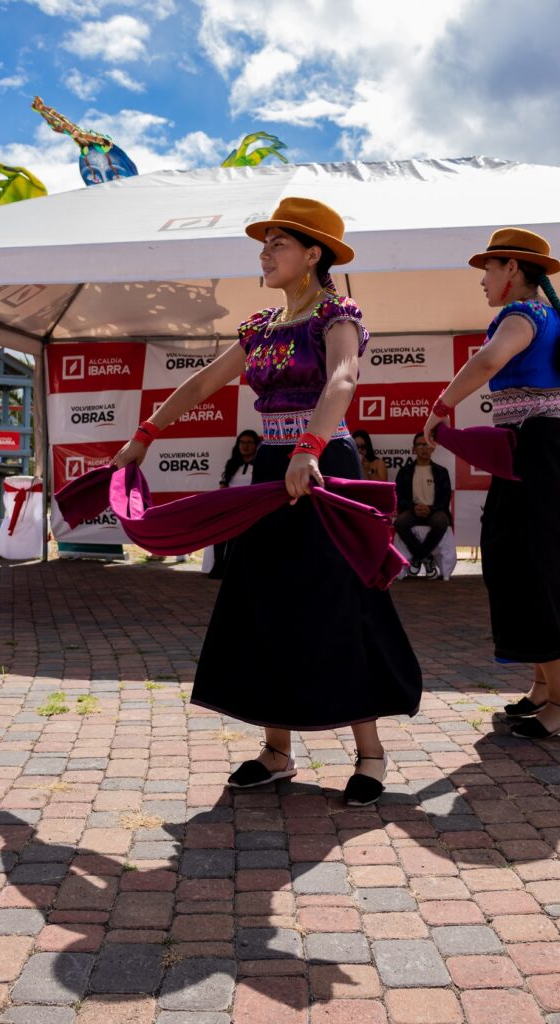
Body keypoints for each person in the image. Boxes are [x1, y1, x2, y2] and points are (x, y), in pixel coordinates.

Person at [114, 198, 422, 805]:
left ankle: (370, 753)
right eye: (264, 243)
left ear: (313, 254)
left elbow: (342, 379)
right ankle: (277, 751)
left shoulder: (336, 314)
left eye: (277, 243)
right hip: (275, 469)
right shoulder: (260, 326)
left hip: (323, 466)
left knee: (339, 603)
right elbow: (204, 381)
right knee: (264, 603)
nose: (264, 253)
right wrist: (145, 434)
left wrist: (310, 445)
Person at [423, 228, 560, 740]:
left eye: (488, 270)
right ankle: (542, 685)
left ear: (511, 268)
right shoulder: (544, 314)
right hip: (536, 452)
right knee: (514, 559)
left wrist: (441, 407)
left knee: (534, 567)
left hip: (539, 454)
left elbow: (487, 361)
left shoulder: (523, 315)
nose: (482, 281)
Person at [394, 432, 452, 578]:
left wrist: (431, 509)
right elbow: (399, 498)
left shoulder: (441, 472)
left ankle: (418, 557)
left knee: (441, 521)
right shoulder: (405, 472)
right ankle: (425, 556)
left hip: (434, 512)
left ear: (432, 447)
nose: (424, 448)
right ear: (414, 449)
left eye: (426, 444)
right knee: (400, 522)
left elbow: (445, 499)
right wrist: (413, 507)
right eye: (420, 445)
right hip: (412, 511)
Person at [206, 429, 259, 579]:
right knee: (218, 529)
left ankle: (230, 568)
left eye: (249, 443)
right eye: (242, 442)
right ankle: (218, 565)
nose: (245, 446)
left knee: (236, 533)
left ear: (256, 445)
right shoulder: (232, 464)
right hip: (230, 506)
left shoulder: (260, 465)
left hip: (250, 508)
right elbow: (223, 485)